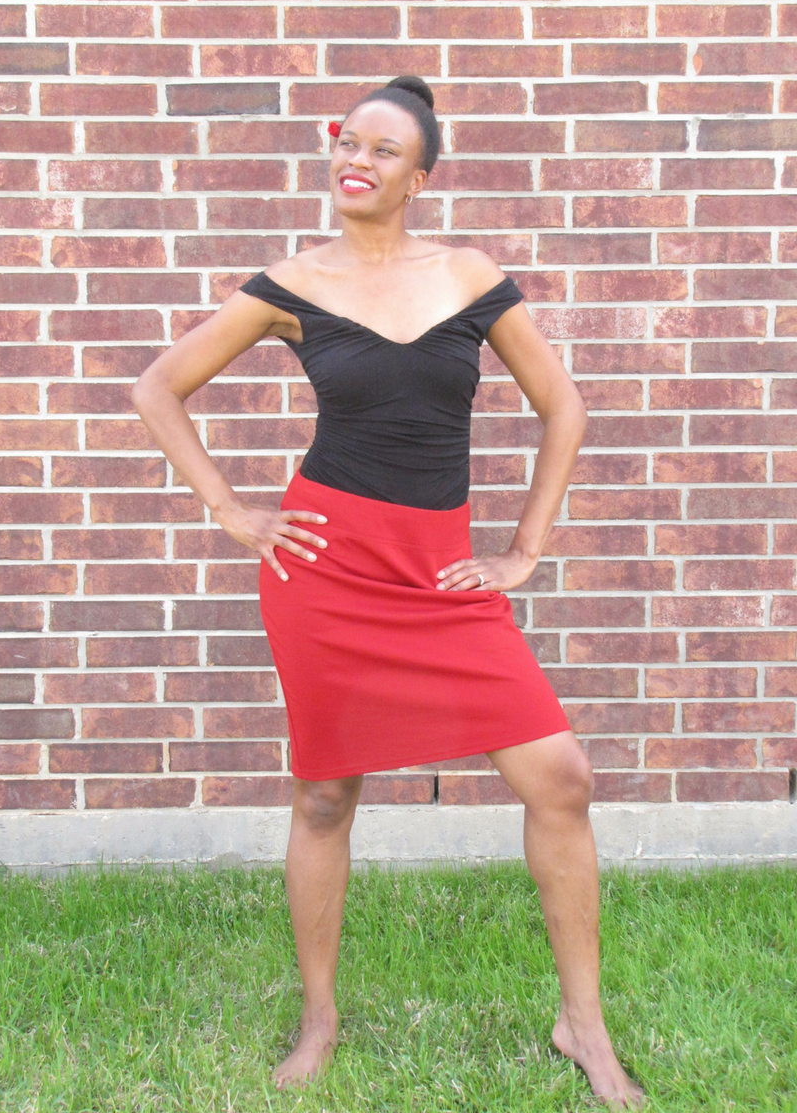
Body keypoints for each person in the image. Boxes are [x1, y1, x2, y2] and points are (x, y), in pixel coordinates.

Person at [131, 75, 644, 1110]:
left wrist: (520, 551)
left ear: (418, 176)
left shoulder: (466, 276)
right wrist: (237, 513)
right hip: (324, 571)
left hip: (440, 576)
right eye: (344, 142)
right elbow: (158, 386)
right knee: (324, 794)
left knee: (560, 777)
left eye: (379, 150)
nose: (352, 161)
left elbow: (563, 409)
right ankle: (320, 1015)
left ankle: (578, 1022)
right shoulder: (290, 283)